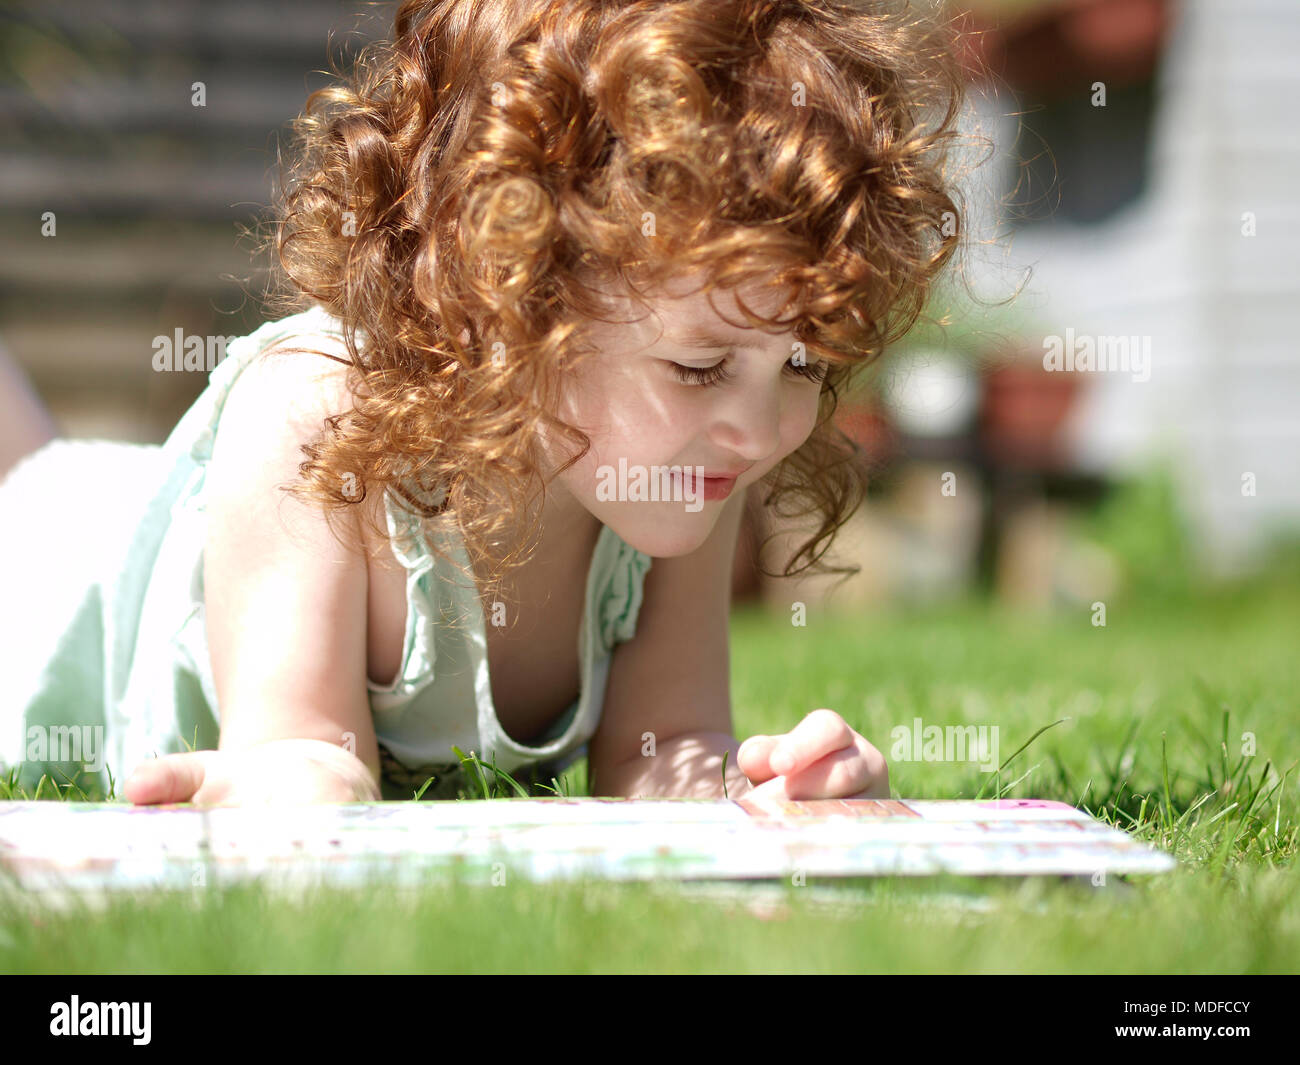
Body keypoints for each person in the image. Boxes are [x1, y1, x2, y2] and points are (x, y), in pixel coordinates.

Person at [0, 0, 975, 806]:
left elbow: (662, 755)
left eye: (801, 366)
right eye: (697, 367)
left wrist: (780, 798)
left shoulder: (679, 477)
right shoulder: (311, 417)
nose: (759, 430)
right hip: (50, 569)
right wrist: (283, 785)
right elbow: (299, 754)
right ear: (515, 291)